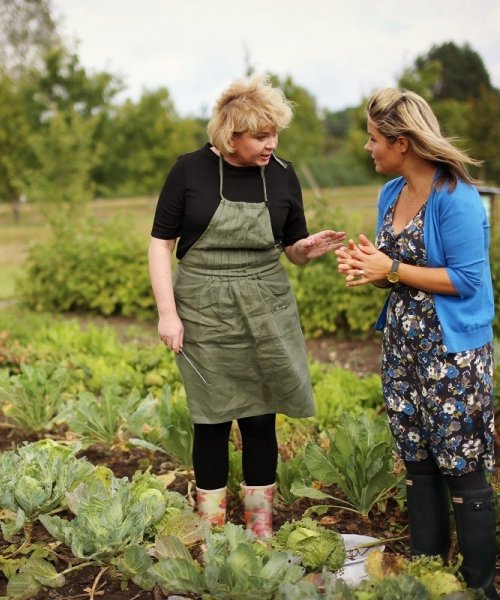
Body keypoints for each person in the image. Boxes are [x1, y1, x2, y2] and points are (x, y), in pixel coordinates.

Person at [148, 75, 344, 538]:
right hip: (203, 308)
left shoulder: (282, 175)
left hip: (265, 306)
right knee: (211, 420)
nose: (271, 144)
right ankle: (211, 529)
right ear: (230, 136)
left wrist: (306, 249)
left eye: (275, 133)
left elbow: (291, 247)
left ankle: (261, 529)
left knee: (260, 417)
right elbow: (161, 244)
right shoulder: (189, 170)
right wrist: (167, 312)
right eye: (261, 135)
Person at [336, 88, 498, 598]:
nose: (368, 148)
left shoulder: (455, 198)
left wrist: (394, 268)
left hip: (453, 354)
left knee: (463, 464)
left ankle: (479, 588)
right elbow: (395, 272)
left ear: (402, 142)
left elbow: (467, 280)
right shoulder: (391, 194)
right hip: (405, 349)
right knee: (419, 459)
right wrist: (373, 271)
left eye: (374, 138)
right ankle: (429, 580)